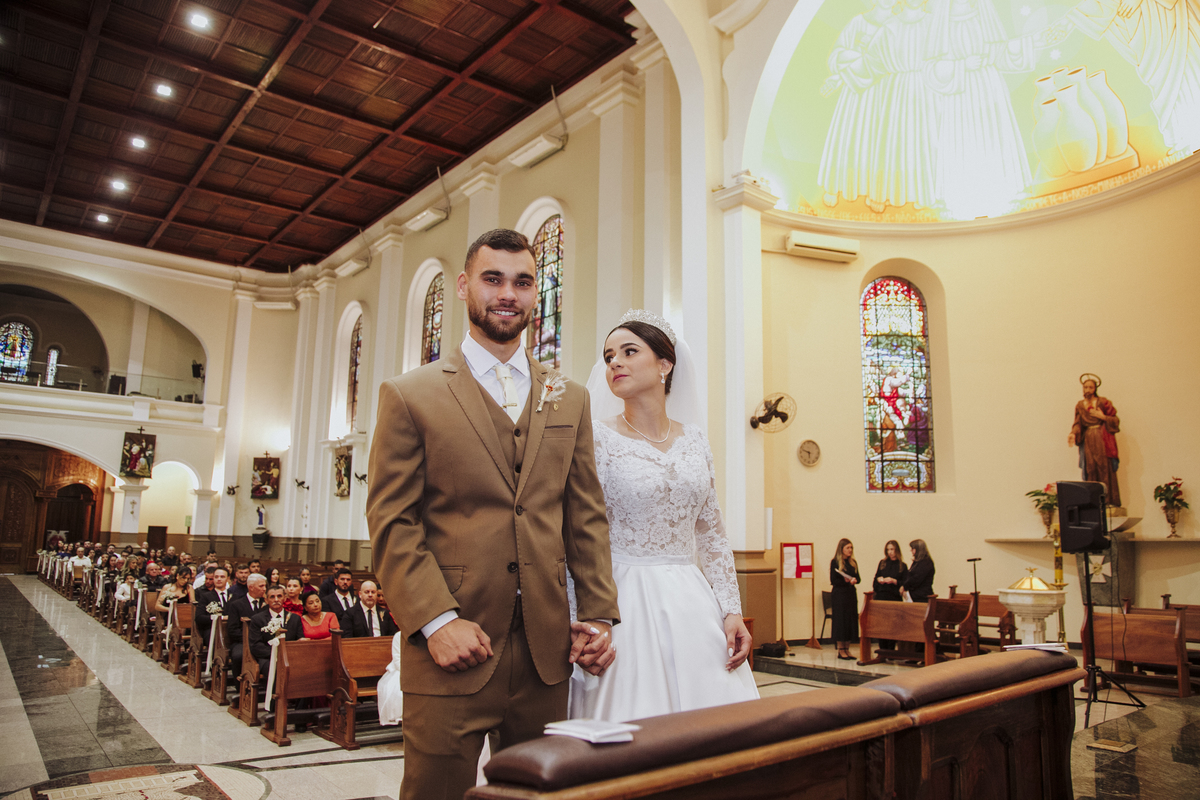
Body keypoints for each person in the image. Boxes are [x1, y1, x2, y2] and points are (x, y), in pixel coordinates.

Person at [367, 228, 619, 800]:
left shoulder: (570, 396)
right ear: (464, 286)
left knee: (539, 794)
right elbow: (392, 522)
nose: (508, 294)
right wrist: (437, 622)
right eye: (493, 279)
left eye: (523, 282)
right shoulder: (410, 394)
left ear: (536, 295)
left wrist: (599, 615)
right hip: (453, 644)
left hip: (546, 651)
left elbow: (584, 514)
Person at [573, 309, 757, 722]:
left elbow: (711, 532)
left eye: (629, 351)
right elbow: (579, 533)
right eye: (608, 356)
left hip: (691, 598)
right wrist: (581, 615)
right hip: (621, 597)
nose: (614, 362)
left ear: (664, 364)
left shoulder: (695, 441)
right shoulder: (596, 438)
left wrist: (731, 609)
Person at [1068, 375, 1121, 507]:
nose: (1088, 390)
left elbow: (1115, 420)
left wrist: (1103, 417)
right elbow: (1078, 423)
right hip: (1088, 439)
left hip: (1101, 437)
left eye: (1090, 387)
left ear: (1095, 388)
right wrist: (1073, 433)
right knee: (1090, 467)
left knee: (1104, 467)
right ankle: (1094, 502)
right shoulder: (1080, 405)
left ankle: (1108, 500)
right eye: (1085, 387)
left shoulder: (1103, 402)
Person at [247, 585, 303, 674]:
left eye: (279, 596)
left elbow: (299, 641)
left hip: (291, 657)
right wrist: (276, 654)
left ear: (285, 598)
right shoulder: (257, 619)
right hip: (267, 658)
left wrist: (288, 654)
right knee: (277, 668)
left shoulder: (295, 618)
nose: (276, 600)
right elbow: (255, 646)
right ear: (266, 600)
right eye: (272, 597)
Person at [225, 573, 268, 675]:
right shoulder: (236, 604)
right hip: (242, 641)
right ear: (251, 587)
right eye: (261, 586)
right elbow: (232, 629)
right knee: (238, 656)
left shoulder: (267, 604)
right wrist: (251, 638)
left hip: (262, 641)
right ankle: (239, 681)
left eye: (265, 586)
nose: (264, 589)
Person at [830, 538, 860, 661]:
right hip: (839, 595)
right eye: (847, 548)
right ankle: (841, 649)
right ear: (841, 549)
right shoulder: (835, 562)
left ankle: (847, 648)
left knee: (850, 621)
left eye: (851, 547)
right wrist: (845, 580)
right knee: (841, 621)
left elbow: (858, 578)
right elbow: (833, 580)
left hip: (850, 594)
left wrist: (854, 580)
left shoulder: (853, 562)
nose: (850, 550)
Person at [195, 566, 230, 643]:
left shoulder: (234, 596)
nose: (219, 579)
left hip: (230, 630)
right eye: (216, 577)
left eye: (222, 577)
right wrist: (220, 618)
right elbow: (199, 618)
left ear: (228, 579)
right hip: (211, 630)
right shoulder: (206, 596)